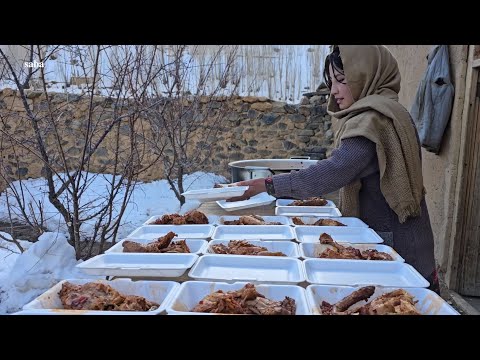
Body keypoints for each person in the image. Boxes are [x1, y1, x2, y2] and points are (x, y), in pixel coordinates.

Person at [228, 45, 439, 294]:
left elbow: (334, 170)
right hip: (407, 236)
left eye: (342, 80)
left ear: (366, 74)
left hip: (397, 247)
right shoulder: (391, 110)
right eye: (331, 82)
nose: (334, 91)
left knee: (400, 304)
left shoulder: (372, 120)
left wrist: (265, 184)